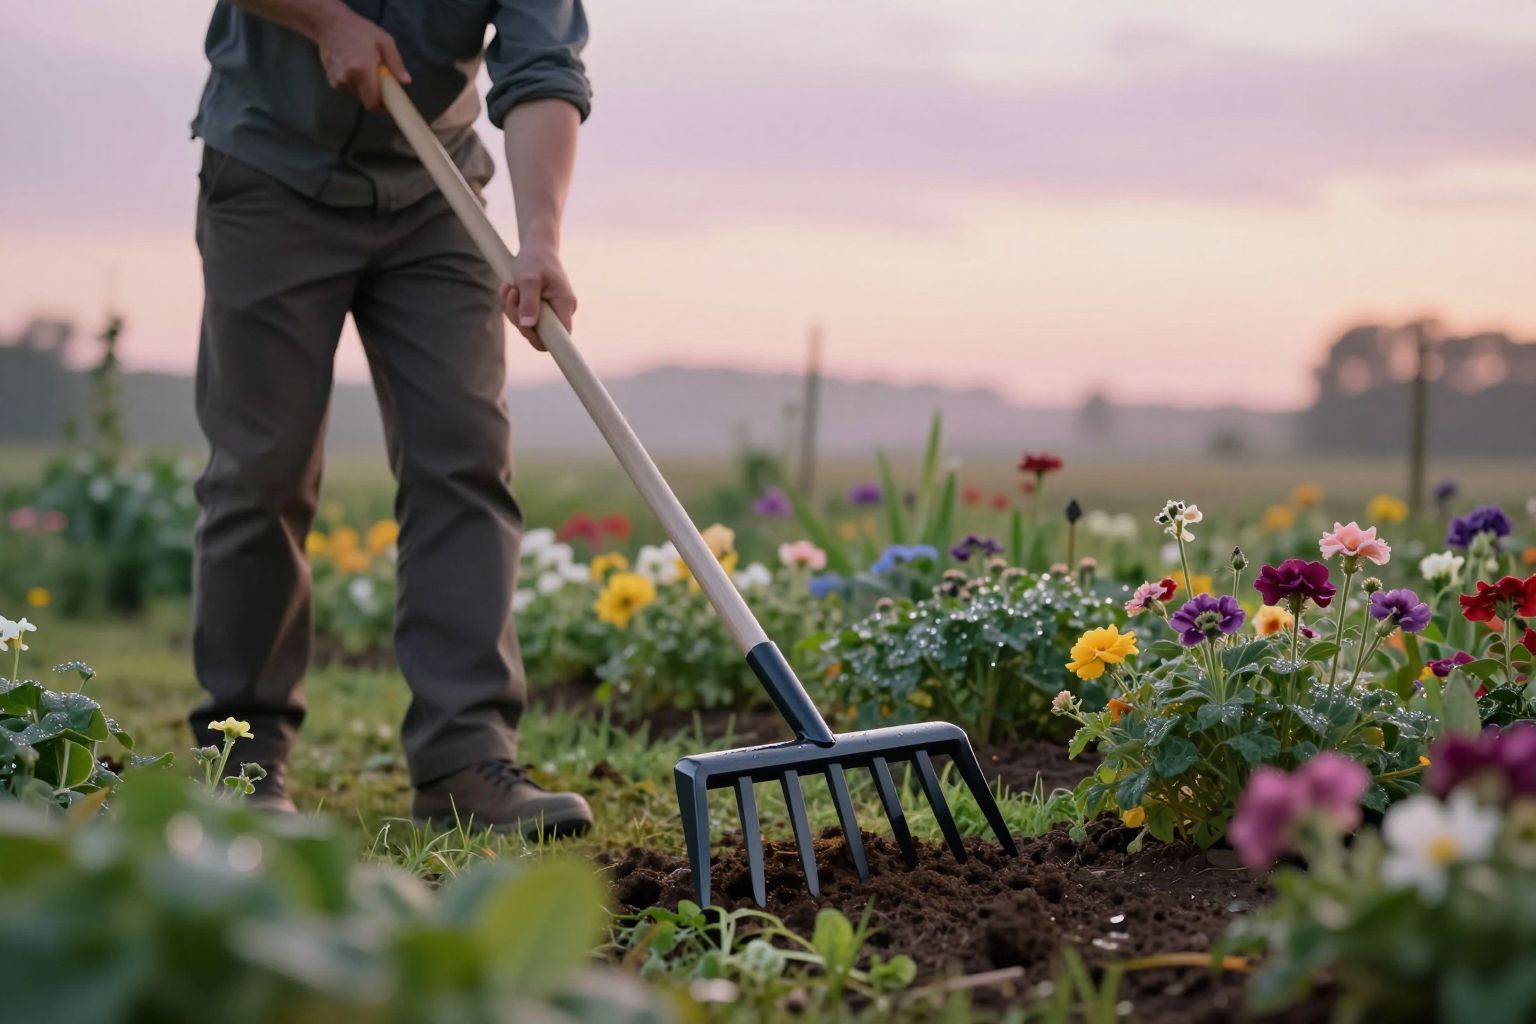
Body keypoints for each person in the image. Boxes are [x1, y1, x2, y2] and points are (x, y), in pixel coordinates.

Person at [187, 0, 593, 837]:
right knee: (263, 470)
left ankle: (464, 757)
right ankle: (244, 754)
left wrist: (539, 238)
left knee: (466, 457)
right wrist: (324, 18)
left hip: (433, 184)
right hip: (272, 172)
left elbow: (543, 67)